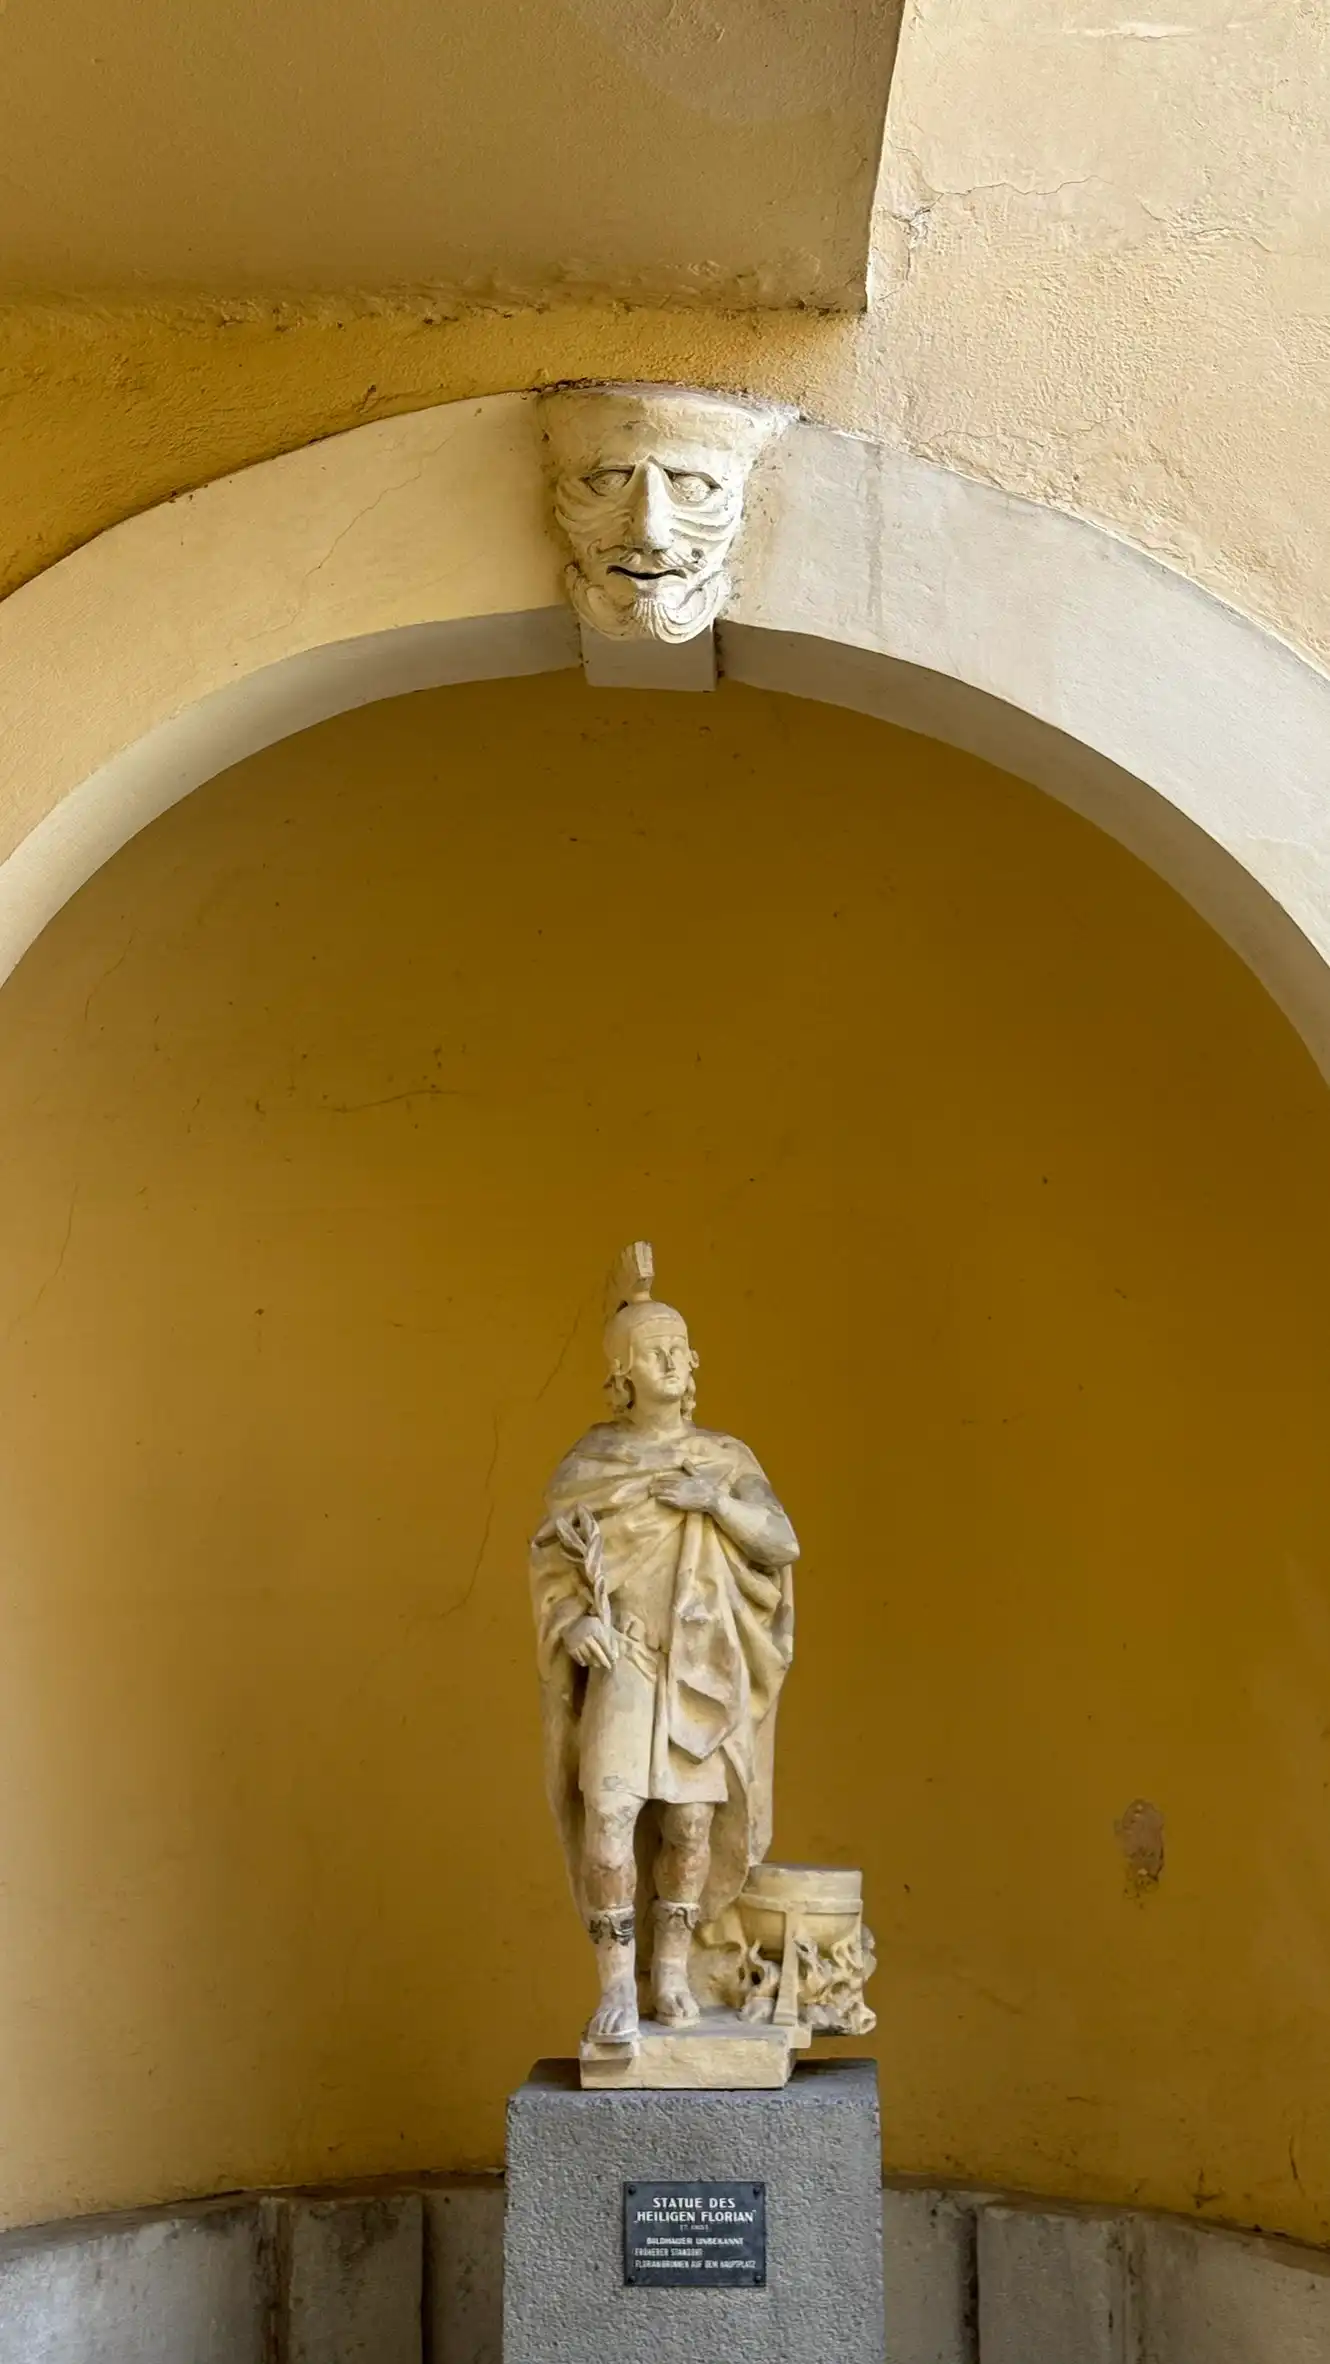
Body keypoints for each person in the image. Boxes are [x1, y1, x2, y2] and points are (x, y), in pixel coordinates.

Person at [530, 1244, 798, 2043]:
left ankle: (673, 1976)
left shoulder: (724, 1460)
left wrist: (715, 1503)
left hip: (699, 1668)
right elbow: (552, 1564)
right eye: (655, 1352)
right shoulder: (590, 1466)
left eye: (680, 1349)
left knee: (688, 1826)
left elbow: (779, 1544)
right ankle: (616, 1986)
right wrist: (575, 1623)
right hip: (630, 1657)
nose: (674, 1362)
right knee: (609, 1812)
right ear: (623, 1376)